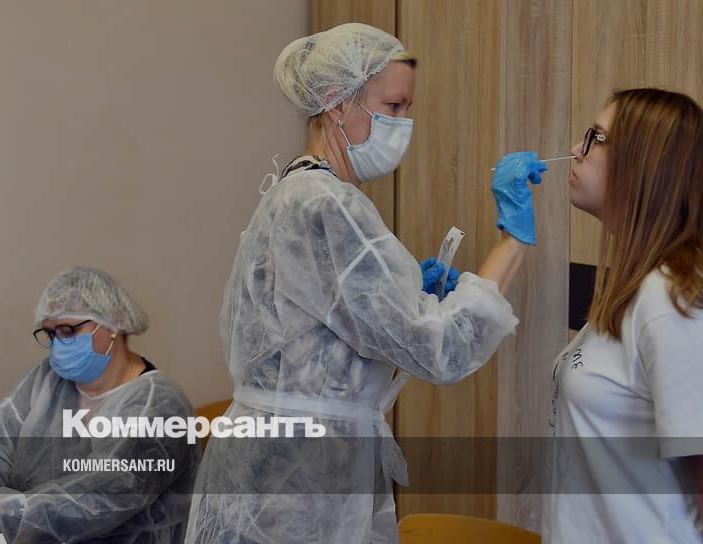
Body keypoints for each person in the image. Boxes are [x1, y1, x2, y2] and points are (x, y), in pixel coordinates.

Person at [185, 23, 547, 544]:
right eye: (393, 107)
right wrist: (512, 239)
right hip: (300, 489)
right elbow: (442, 349)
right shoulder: (327, 204)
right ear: (337, 103)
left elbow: (321, 346)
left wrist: (399, 304)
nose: (403, 124)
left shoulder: (295, 192)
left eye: (408, 108)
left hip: (277, 476)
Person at [544, 88, 703, 543]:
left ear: (646, 165)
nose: (576, 150)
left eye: (596, 138)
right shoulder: (637, 289)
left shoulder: (679, 303)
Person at [0, 267, 200, 543]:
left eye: (67, 330)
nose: (58, 346)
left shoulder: (160, 408)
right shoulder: (47, 379)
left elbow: (97, 499)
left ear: (113, 322)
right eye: (50, 334)